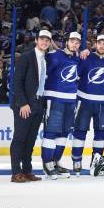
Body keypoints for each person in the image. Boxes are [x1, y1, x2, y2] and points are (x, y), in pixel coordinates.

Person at [9, 29, 51, 183]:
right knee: (20, 138)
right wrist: (23, 103)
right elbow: (17, 82)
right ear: (36, 40)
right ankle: (16, 172)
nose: (44, 42)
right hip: (25, 105)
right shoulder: (26, 57)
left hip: (38, 104)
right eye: (42, 39)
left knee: (31, 140)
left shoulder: (46, 59)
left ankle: (27, 171)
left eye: (47, 40)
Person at [71, 34, 104, 175]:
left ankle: (96, 162)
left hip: (103, 103)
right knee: (80, 131)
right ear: (95, 44)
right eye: (99, 43)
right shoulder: (85, 57)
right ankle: (76, 160)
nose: (102, 45)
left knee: (101, 134)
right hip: (84, 101)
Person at [41, 31, 81, 179]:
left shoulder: (78, 58)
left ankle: (55, 162)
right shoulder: (54, 56)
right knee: (51, 132)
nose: (74, 44)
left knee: (64, 133)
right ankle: (47, 163)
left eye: (77, 42)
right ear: (67, 42)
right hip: (54, 99)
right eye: (72, 41)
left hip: (71, 101)